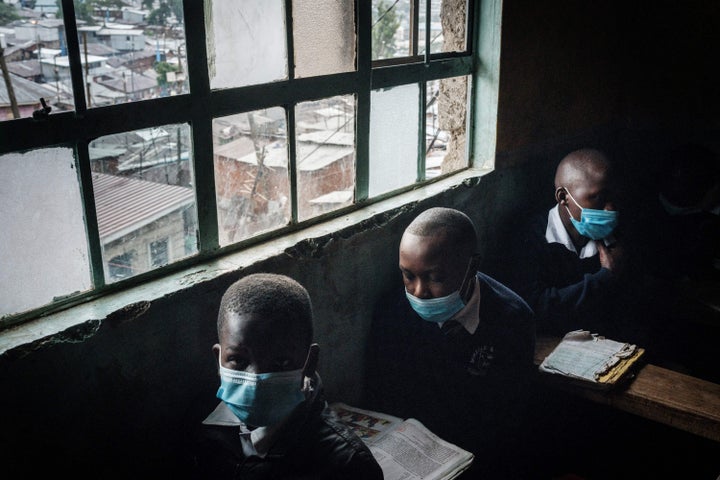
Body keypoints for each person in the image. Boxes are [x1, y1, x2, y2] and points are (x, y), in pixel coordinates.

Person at [363, 207, 536, 480]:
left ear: (472, 267)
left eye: (435, 277)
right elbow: (381, 395)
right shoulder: (393, 312)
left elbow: (508, 419)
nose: (419, 292)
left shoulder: (510, 319)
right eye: (408, 276)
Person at [192, 273, 383, 480]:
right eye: (238, 360)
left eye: (280, 363)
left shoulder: (348, 466)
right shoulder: (199, 423)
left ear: (309, 363)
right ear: (218, 359)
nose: (256, 379)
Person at [488, 147, 642, 342]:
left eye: (613, 197)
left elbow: (628, 304)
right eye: (598, 197)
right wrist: (605, 277)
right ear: (563, 197)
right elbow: (534, 306)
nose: (610, 208)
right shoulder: (530, 237)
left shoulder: (619, 235)